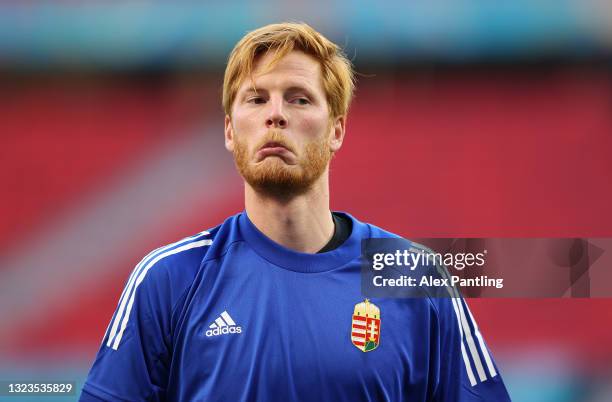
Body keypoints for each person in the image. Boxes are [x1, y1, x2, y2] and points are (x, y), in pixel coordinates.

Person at [80, 22, 511, 401]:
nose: (275, 115)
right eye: (256, 99)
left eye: (299, 99)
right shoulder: (168, 280)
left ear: (336, 129)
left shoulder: (416, 279)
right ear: (230, 131)